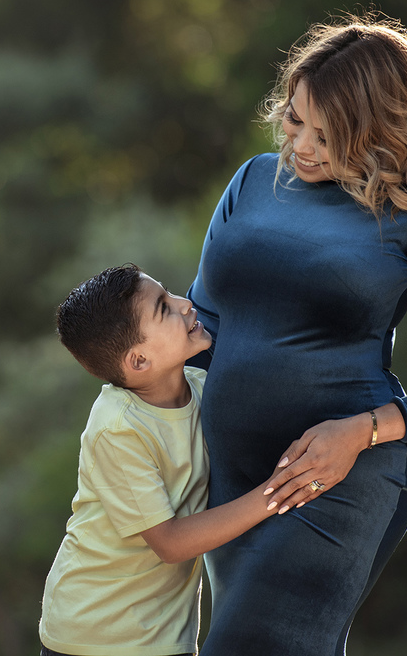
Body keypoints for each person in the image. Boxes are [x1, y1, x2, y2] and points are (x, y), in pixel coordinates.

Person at [186, 13, 407, 654]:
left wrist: (363, 430)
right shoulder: (255, 181)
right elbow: (203, 330)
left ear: (376, 129)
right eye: (295, 120)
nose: (303, 146)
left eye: (329, 131)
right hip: (228, 479)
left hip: (339, 476)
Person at [39, 264, 282, 656]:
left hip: (165, 635)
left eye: (169, 294)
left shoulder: (204, 390)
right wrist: (278, 493)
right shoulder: (117, 428)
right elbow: (169, 542)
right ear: (138, 361)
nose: (186, 304)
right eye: (164, 308)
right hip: (94, 635)